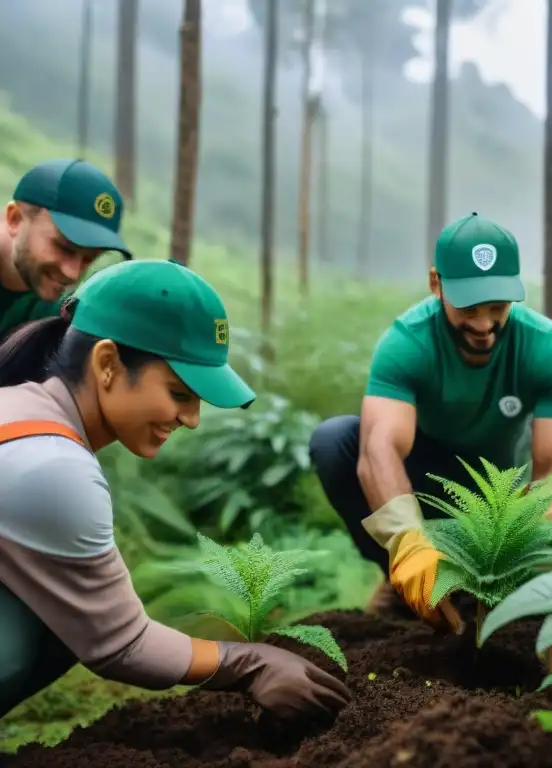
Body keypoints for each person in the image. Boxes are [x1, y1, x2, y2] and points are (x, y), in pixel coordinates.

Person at [0, 259, 352, 721]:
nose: (191, 419)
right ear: (107, 363)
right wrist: (249, 664)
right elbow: (121, 641)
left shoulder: (19, 406)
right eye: (179, 393)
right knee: (62, 621)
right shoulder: (52, 467)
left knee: (70, 607)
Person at [310, 212, 552, 633]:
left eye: (497, 307)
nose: (483, 325)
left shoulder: (549, 350)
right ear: (436, 284)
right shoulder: (408, 342)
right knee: (336, 442)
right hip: (419, 481)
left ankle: (489, 591)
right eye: (469, 307)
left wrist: (525, 551)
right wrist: (406, 543)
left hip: (494, 494)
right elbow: (377, 450)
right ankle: (401, 578)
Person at [0, 159, 133, 340]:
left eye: (89, 258)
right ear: (15, 219)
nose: (72, 273)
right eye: (64, 248)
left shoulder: (57, 312)